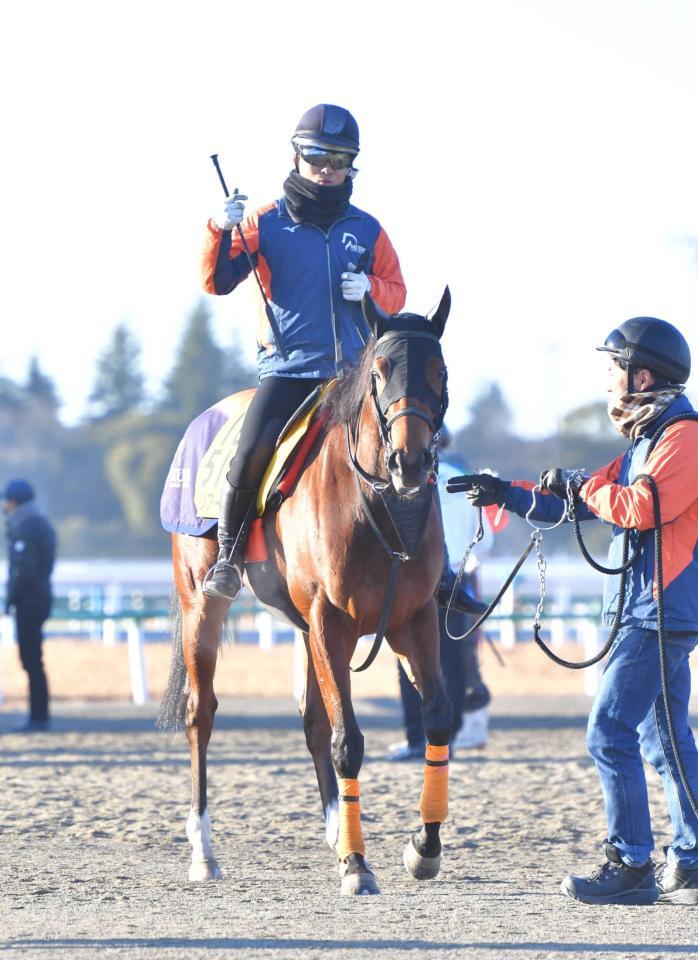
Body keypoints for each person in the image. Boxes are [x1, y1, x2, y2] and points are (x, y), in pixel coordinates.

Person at [447, 317, 698, 905]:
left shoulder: (683, 436)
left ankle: (632, 862)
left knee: (607, 730)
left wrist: (582, 487)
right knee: (662, 740)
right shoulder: (647, 438)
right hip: (645, 607)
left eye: (614, 369)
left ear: (642, 374)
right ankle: (689, 860)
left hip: (657, 611)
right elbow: (578, 500)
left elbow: (640, 507)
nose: (607, 381)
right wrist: (503, 491)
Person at [200, 103, 406, 600]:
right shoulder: (264, 222)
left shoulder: (369, 229)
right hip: (289, 371)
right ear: (296, 156)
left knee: (413, 445)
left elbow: (397, 292)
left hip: (355, 377)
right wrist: (218, 229)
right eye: (318, 156)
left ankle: (430, 567)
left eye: (340, 159)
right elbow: (216, 281)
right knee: (250, 452)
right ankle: (227, 556)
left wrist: (372, 289)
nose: (328, 169)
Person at [388, 426, 493, 761]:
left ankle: (418, 738)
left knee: (410, 660)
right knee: (453, 660)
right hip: (456, 579)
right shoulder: (462, 480)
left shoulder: (404, 483)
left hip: (412, 582)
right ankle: (449, 738)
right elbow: (485, 541)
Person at [2, 479, 56, 732]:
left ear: (15, 501)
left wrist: (9, 598)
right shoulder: (37, 522)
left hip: (30, 599)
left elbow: (23, 570)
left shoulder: (26, 526)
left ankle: (39, 717)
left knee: (31, 659)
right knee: (33, 658)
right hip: (38, 596)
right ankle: (39, 715)